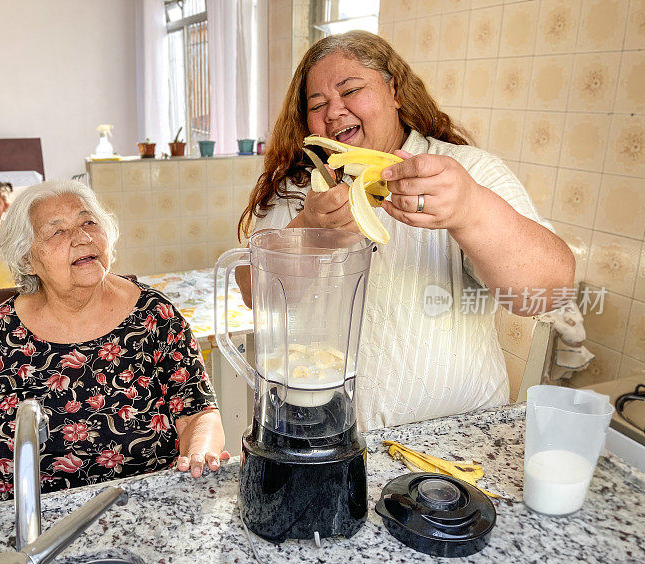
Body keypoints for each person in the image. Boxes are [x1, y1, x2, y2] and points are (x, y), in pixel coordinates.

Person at [236, 31, 575, 430]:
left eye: (351, 90)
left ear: (394, 90)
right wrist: (308, 230)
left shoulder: (467, 172)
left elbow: (548, 293)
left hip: (455, 440)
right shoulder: (299, 190)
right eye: (318, 104)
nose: (334, 112)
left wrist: (471, 210)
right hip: (323, 435)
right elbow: (251, 292)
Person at [0, 180, 228, 514]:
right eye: (56, 232)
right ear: (28, 259)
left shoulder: (156, 318)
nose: (82, 237)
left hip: (146, 514)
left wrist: (199, 453)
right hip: (29, 530)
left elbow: (199, 413)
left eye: (89, 222)